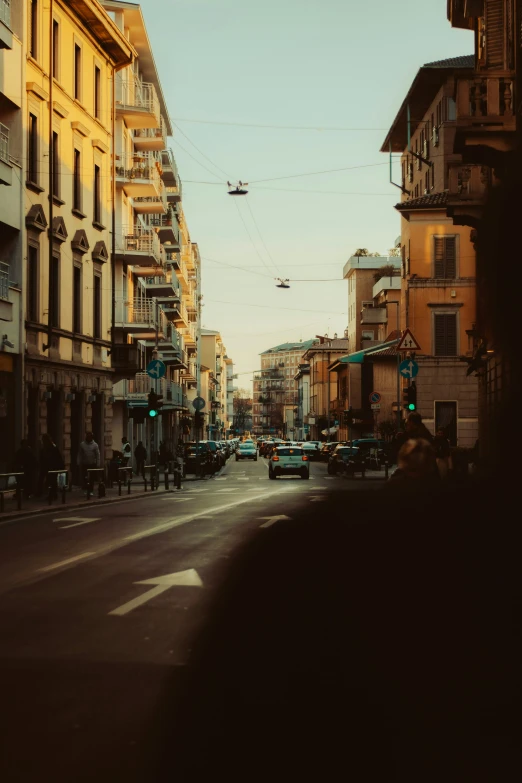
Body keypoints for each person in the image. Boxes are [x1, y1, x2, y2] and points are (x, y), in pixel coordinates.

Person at [37, 433, 65, 498]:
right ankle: (41, 492)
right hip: (45, 466)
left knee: (52, 481)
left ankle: (52, 494)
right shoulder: (44, 447)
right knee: (44, 480)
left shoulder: (52, 447)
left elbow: (57, 458)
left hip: (52, 467)